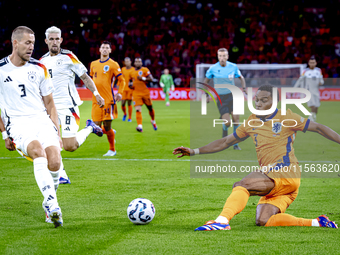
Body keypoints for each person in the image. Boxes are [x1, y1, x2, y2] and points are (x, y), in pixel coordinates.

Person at [173, 84, 339, 230]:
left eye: (264, 100)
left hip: (286, 172)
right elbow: (225, 142)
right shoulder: (251, 122)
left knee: (242, 185)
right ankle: (318, 222)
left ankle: (221, 221)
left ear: (274, 101)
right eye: (256, 100)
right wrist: (194, 151)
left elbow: (319, 128)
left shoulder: (287, 117)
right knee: (263, 220)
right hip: (277, 182)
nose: (259, 104)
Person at [0, 26, 66, 228]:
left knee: (54, 162)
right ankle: (53, 205)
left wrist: (57, 131)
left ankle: (48, 203)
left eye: (33, 44)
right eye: (27, 43)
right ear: (15, 43)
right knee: (38, 153)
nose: (31, 47)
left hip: (42, 120)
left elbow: (50, 104)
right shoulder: (1, 69)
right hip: (18, 123)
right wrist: (4, 135)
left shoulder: (39, 68)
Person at [40, 26, 105, 184]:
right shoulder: (41, 62)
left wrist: (96, 94)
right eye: (52, 39)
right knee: (51, 141)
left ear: (61, 40)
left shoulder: (69, 56)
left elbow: (84, 76)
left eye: (57, 39)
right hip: (50, 109)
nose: (55, 42)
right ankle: (62, 175)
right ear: (46, 41)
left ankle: (90, 127)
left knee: (70, 146)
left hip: (68, 106)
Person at [203, 48, 246, 150]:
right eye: (220, 56)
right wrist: (206, 94)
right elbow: (206, 81)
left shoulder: (233, 67)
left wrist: (244, 88)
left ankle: (235, 144)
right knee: (227, 122)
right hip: (221, 98)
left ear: (227, 56)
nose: (222, 58)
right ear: (218, 57)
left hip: (233, 96)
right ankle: (224, 135)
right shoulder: (213, 68)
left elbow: (241, 78)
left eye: (224, 56)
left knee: (236, 120)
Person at [89, 41, 125, 156]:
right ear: (99, 50)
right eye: (103, 47)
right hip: (96, 100)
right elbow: (90, 80)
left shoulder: (113, 64)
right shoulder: (93, 64)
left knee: (107, 125)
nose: (104, 49)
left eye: (107, 48)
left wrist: (119, 93)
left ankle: (112, 150)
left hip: (108, 100)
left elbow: (122, 80)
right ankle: (111, 133)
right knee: (96, 128)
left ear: (110, 50)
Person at [129, 58, 157, 132]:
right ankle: (140, 126)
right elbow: (130, 82)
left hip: (145, 93)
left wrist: (143, 78)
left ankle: (153, 120)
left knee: (150, 108)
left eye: (139, 62)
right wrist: (130, 85)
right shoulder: (131, 72)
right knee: (138, 109)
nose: (138, 63)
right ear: (134, 63)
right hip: (136, 93)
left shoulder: (145, 70)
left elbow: (151, 79)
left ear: (141, 63)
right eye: (136, 62)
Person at [293, 56, 324, 122]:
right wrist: (294, 89)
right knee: (312, 105)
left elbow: (321, 80)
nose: (312, 64)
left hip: (316, 91)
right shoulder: (305, 71)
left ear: (316, 63)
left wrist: (321, 82)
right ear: (309, 63)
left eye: (313, 62)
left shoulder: (318, 71)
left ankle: (312, 116)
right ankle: (311, 118)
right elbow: (300, 80)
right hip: (309, 91)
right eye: (311, 62)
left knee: (316, 106)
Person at [121, 57, 134, 122]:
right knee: (122, 104)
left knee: (129, 103)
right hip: (123, 89)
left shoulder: (133, 69)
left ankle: (129, 117)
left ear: (130, 62)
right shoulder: (123, 69)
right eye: (125, 61)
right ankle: (125, 114)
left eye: (128, 61)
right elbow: (120, 79)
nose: (127, 62)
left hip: (130, 89)